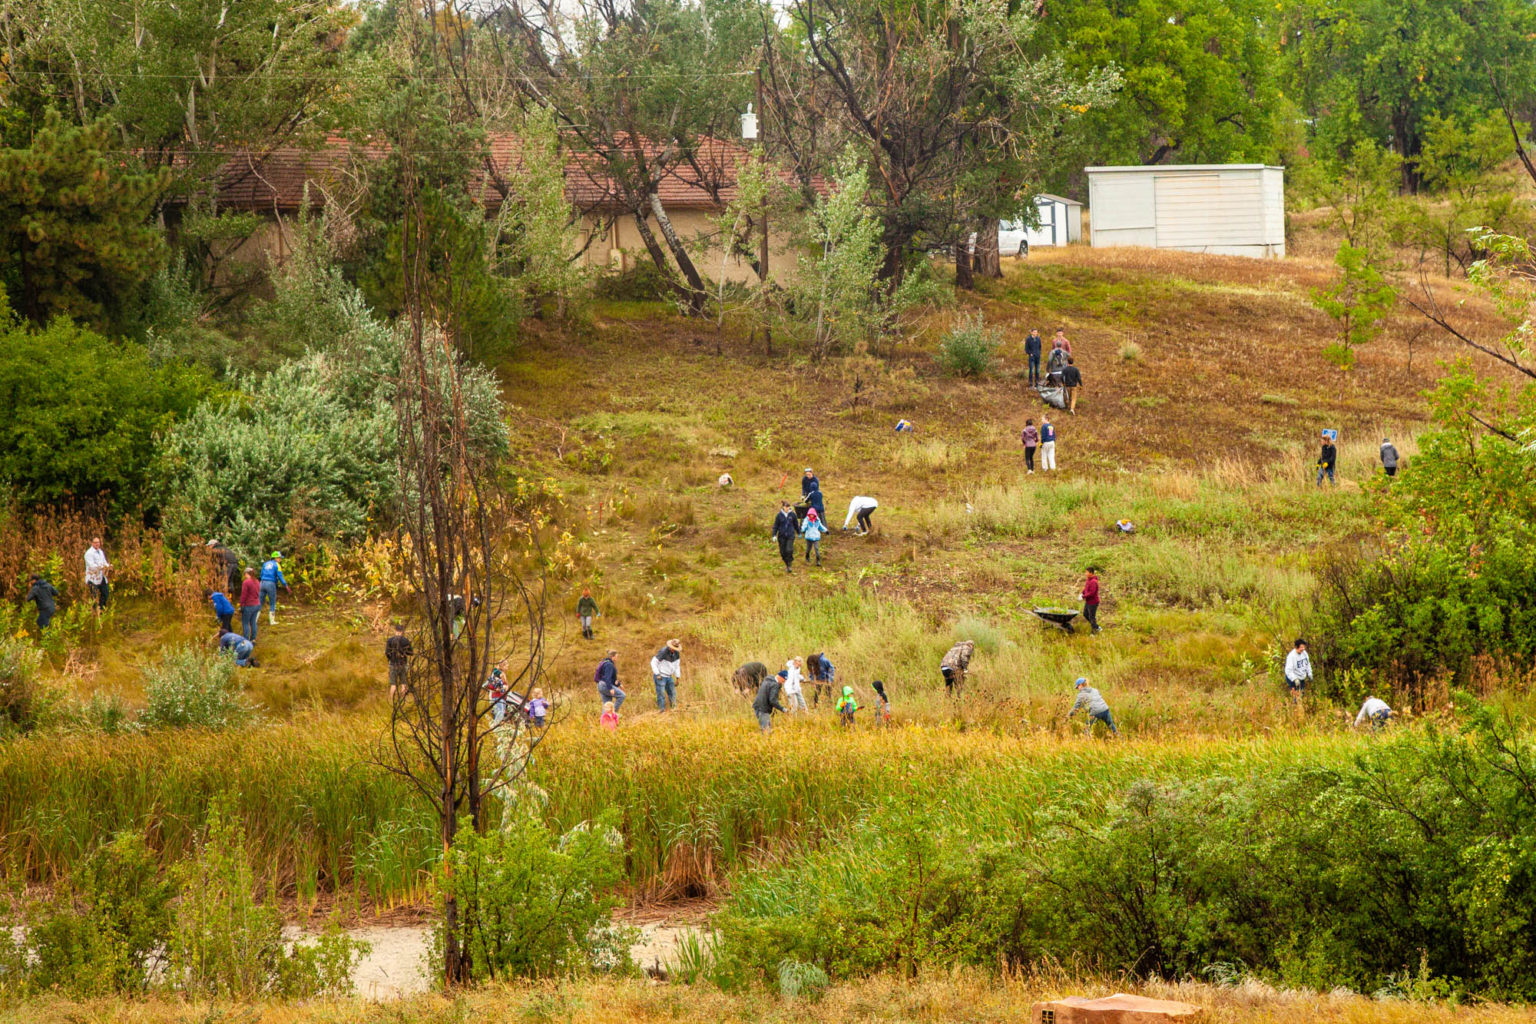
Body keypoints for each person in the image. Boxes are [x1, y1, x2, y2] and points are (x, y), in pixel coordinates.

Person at [259, 551, 289, 626]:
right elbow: (280, 575)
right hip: (270, 583)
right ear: (275, 558)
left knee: (259, 602)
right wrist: (285, 584)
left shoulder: (265, 564)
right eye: (279, 558)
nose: (280, 559)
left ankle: (254, 620)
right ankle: (272, 621)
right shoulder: (277, 565)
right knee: (272, 602)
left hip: (262, 583)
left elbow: (261, 574)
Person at [651, 638, 681, 711]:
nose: (673, 649)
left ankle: (673, 708)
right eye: (673, 648)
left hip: (669, 676)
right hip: (661, 676)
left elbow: (677, 666)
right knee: (661, 694)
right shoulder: (663, 652)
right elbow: (653, 662)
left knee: (672, 693)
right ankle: (662, 710)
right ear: (670, 646)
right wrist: (657, 674)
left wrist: (677, 677)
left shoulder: (677, 653)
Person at [386, 621, 413, 698]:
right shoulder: (405, 640)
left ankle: (391, 700)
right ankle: (402, 700)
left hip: (393, 664)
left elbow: (387, 652)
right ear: (402, 631)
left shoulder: (390, 640)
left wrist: (390, 659)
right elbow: (411, 653)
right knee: (403, 683)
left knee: (393, 685)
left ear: (395, 631)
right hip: (403, 664)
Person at [84, 537, 111, 611]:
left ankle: (102, 609)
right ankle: (94, 612)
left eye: (98, 542)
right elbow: (92, 566)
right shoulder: (88, 553)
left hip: (101, 576)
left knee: (105, 593)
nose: (97, 544)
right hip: (93, 578)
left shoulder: (100, 551)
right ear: (92, 543)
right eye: (95, 542)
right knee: (94, 597)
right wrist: (102, 567)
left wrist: (108, 566)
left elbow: (104, 562)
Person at [772, 501, 799, 574]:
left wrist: (799, 532)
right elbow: (775, 526)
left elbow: (796, 524)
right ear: (783, 507)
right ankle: (787, 564)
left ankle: (789, 564)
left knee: (789, 550)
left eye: (788, 506)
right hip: (782, 536)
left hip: (790, 535)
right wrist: (774, 535)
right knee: (782, 552)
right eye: (786, 506)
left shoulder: (792, 515)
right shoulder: (779, 515)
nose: (787, 508)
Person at [1283, 638, 1311, 704]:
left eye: (1304, 647)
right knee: (1295, 696)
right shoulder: (1291, 656)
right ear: (1296, 647)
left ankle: (1300, 707)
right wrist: (1295, 679)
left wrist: (1309, 673)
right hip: (1292, 678)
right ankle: (1293, 708)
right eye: (1301, 647)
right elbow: (1288, 670)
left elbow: (1307, 664)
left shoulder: (1304, 653)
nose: (1303, 648)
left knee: (1301, 694)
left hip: (1301, 677)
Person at [239, 568, 262, 641]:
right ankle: (253, 639)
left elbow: (243, 595)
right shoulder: (257, 581)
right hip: (257, 604)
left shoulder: (246, 582)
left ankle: (246, 639)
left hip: (249, 605)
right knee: (253, 622)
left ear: (246, 573)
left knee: (245, 623)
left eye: (245, 574)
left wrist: (241, 605)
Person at [1081, 568, 1102, 634]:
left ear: (1091, 573)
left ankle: (1094, 632)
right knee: (1085, 614)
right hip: (1088, 601)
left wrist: (1083, 597)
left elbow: (1092, 593)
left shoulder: (1093, 582)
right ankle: (1096, 627)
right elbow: (1086, 588)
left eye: (1086, 572)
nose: (1085, 574)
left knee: (1091, 617)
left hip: (1093, 602)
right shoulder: (1088, 580)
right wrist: (1082, 593)